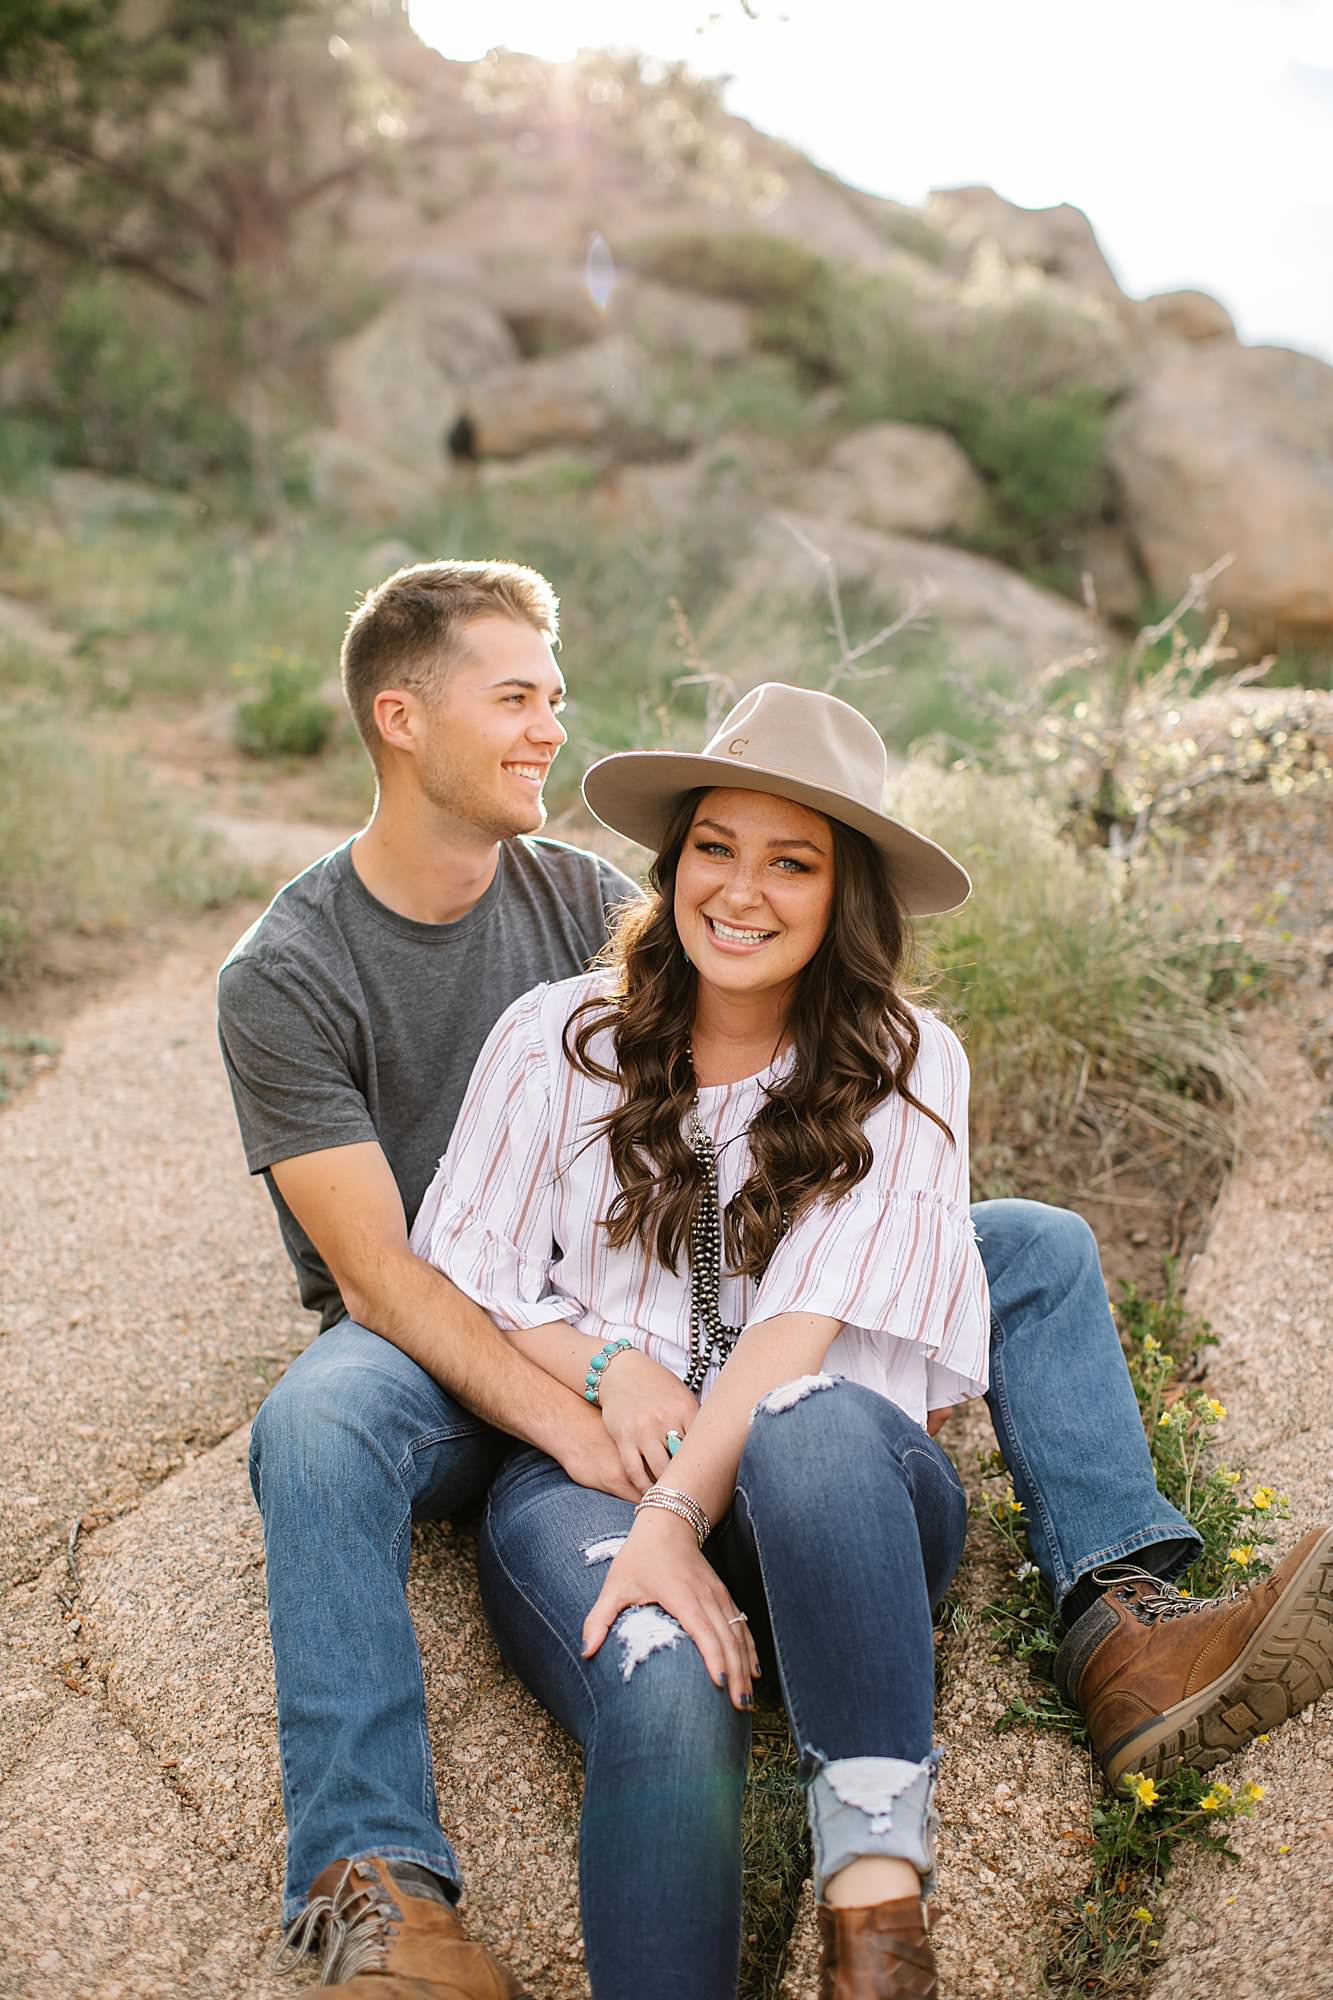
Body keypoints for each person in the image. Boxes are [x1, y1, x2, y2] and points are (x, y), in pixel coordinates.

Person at [217, 562, 1333, 1998]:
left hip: (739, 1385)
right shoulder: (342, 981)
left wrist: (688, 1474)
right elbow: (401, 1276)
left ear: (839, 892)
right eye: (513, 699)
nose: (545, 731)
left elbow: (785, 1252)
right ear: (398, 719)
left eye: (790, 860)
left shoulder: (610, 917)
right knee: (353, 1446)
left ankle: (1116, 1627)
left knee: (1009, 1263)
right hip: (492, 1346)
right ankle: (373, 1884)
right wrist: (603, 1400)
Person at [410, 679, 989, 1997]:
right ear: (674, 865)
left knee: (811, 1418)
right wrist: (612, 1373)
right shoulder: (564, 1040)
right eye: (715, 848)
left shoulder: (909, 1064)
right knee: (659, 1668)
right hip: (588, 1479)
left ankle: (876, 1928)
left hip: (830, 1519)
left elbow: (797, 1331)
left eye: (793, 862)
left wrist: (680, 1509)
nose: (741, 889)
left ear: (845, 898)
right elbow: (469, 1271)